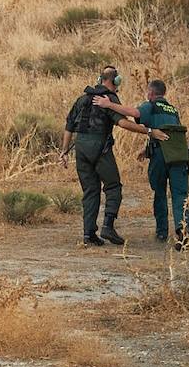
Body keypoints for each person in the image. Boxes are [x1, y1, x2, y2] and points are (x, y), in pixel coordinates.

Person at [60, 66, 167, 247]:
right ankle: (108, 227)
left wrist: (63, 151)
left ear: (99, 78)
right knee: (113, 186)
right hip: (99, 147)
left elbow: (69, 126)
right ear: (115, 81)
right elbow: (124, 123)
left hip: (80, 148)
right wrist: (150, 131)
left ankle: (88, 234)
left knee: (90, 190)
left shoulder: (83, 99)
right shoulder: (109, 98)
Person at [94, 80, 189, 247]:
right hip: (179, 155)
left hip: (161, 156)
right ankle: (183, 231)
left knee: (159, 193)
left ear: (151, 93)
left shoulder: (151, 105)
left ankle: (161, 233)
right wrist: (146, 151)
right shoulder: (173, 109)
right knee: (180, 195)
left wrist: (108, 104)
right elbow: (168, 133)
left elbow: (133, 113)